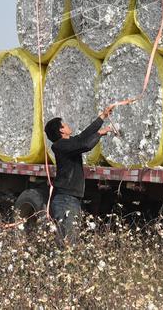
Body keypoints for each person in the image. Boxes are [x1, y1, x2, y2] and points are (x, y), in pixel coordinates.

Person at [43, 102, 117, 245]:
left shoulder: (67, 143)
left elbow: (83, 136)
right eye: (64, 125)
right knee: (69, 241)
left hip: (69, 199)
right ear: (61, 131)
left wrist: (103, 116)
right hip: (66, 200)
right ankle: (64, 265)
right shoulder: (60, 146)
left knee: (66, 241)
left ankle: (62, 264)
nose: (67, 125)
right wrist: (100, 133)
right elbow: (85, 145)